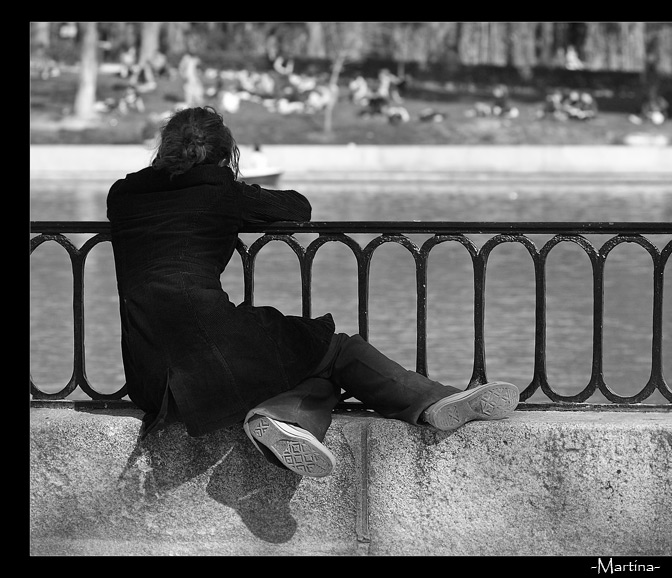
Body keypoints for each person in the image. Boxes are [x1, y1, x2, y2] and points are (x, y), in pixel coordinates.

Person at [106, 106, 520, 478]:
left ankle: (285, 421)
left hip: (150, 378)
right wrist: (232, 184)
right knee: (333, 351)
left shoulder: (122, 196)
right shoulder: (221, 193)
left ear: (165, 148)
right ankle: (430, 401)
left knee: (313, 367)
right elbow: (296, 208)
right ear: (224, 153)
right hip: (209, 352)